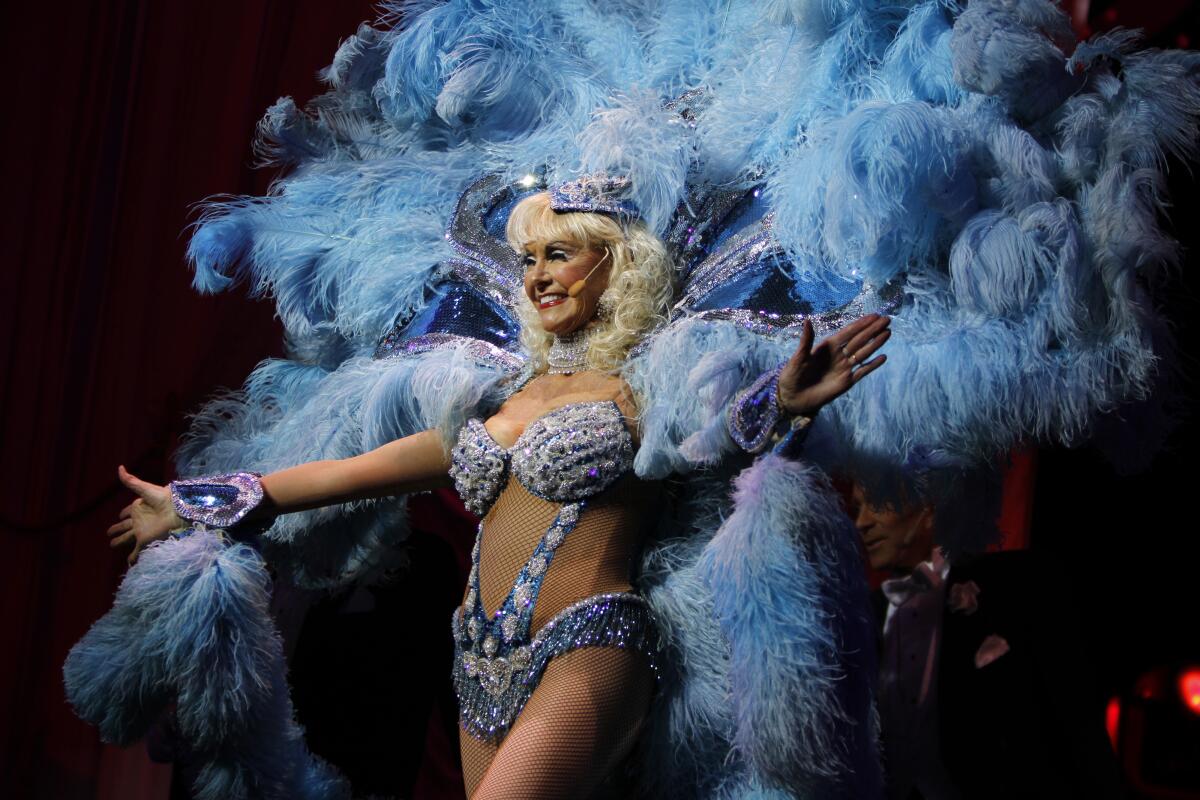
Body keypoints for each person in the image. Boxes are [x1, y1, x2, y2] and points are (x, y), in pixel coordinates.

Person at [106, 182, 891, 798]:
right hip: (479, 662)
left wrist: (776, 404)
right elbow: (346, 474)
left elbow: (704, 442)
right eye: (529, 258)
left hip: (590, 647)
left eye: (561, 254)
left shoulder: (643, 387)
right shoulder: (501, 397)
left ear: (614, 265)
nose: (539, 275)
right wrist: (193, 500)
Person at [852, 482, 1125, 800]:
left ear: (928, 505)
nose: (861, 523)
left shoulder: (1019, 585)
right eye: (857, 507)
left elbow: (1079, 729)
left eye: (876, 504)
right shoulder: (862, 617)